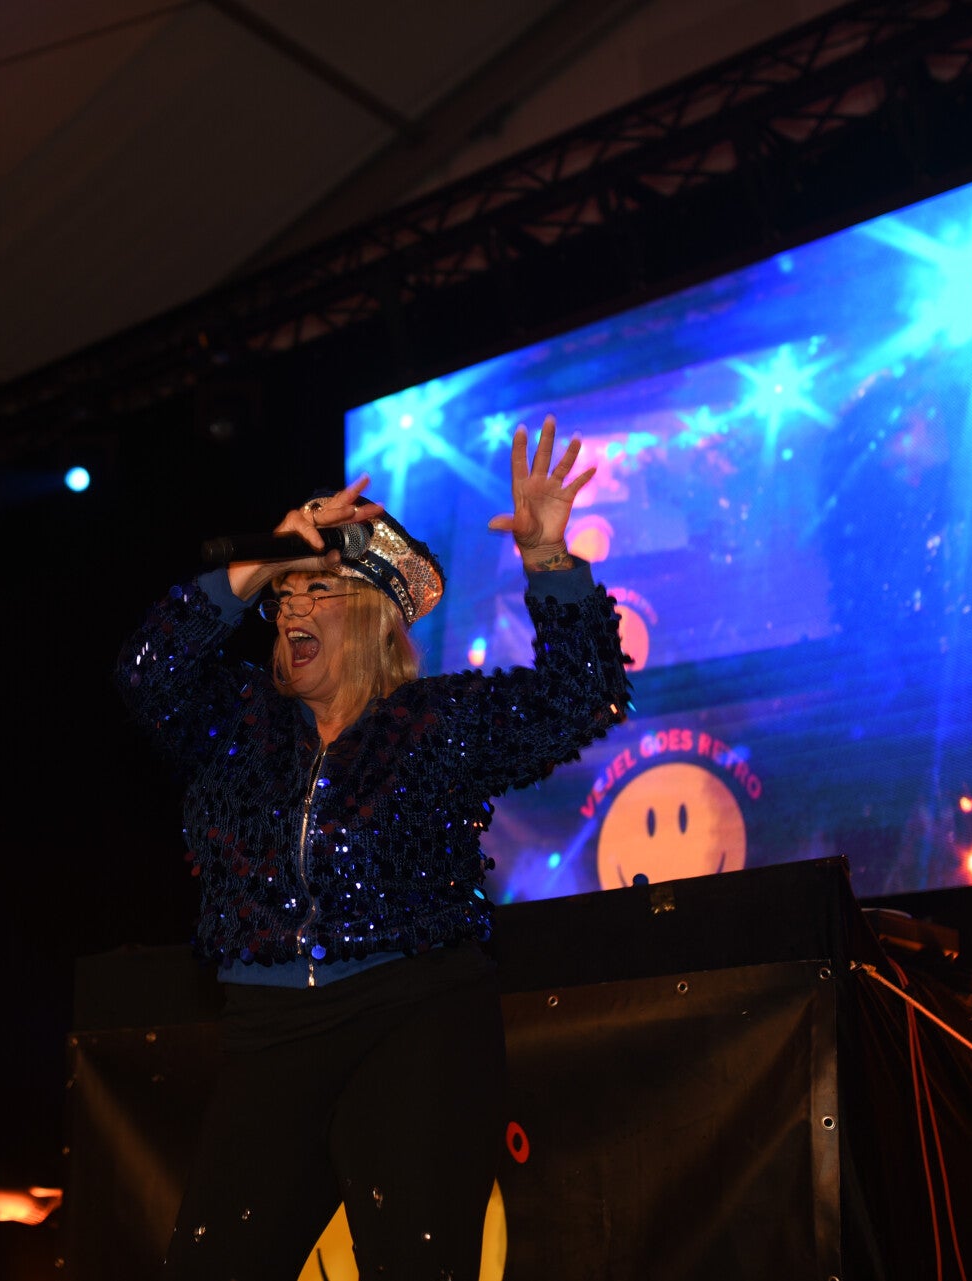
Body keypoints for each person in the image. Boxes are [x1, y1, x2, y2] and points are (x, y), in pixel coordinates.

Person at [117, 417, 629, 1279]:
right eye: (283, 595)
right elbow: (147, 671)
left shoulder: (436, 723)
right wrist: (267, 555)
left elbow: (580, 699)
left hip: (415, 1017)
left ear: (376, 618)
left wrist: (547, 558)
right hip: (267, 1030)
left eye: (316, 589)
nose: (291, 610)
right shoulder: (238, 722)